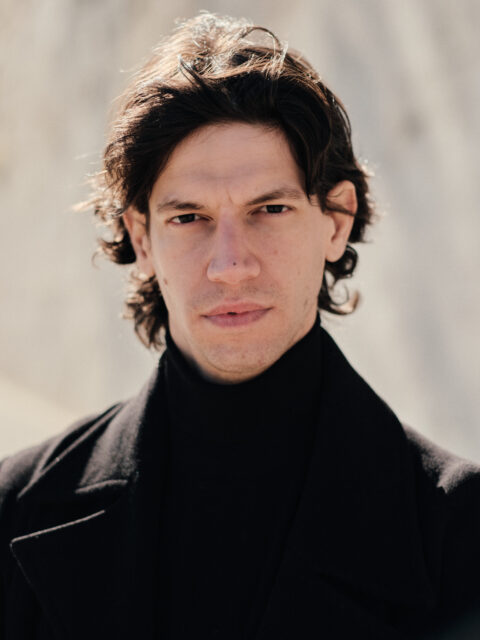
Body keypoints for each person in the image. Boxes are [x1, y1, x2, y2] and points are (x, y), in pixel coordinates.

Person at [1, 12, 479, 640]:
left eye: (269, 209)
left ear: (336, 221)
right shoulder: (16, 509)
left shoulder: (459, 530)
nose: (230, 265)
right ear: (141, 238)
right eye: (188, 218)